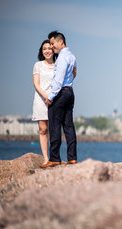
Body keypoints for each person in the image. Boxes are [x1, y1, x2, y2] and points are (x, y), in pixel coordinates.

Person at [40, 31, 78, 168]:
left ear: (60, 41)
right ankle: (72, 158)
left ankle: (55, 158)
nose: (51, 46)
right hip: (70, 93)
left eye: (53, 43)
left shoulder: (62, 58)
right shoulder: (72, 56)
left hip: (60, 93)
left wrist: (50, 97)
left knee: (55, 126)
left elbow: (58, 80)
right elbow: (74, 74)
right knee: (68, 126)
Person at [32, 40, 56, 165]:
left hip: (54, 101)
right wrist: (46, 96)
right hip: (41, 100)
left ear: (53, 50)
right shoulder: (38, 65)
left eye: (49, 48)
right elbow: (36, 84)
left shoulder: (58, 65)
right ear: (42, 51)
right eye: (44, 49)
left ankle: (53, 157)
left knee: (54, 129)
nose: (47, 51)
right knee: (43, 129)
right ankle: (45, 158)